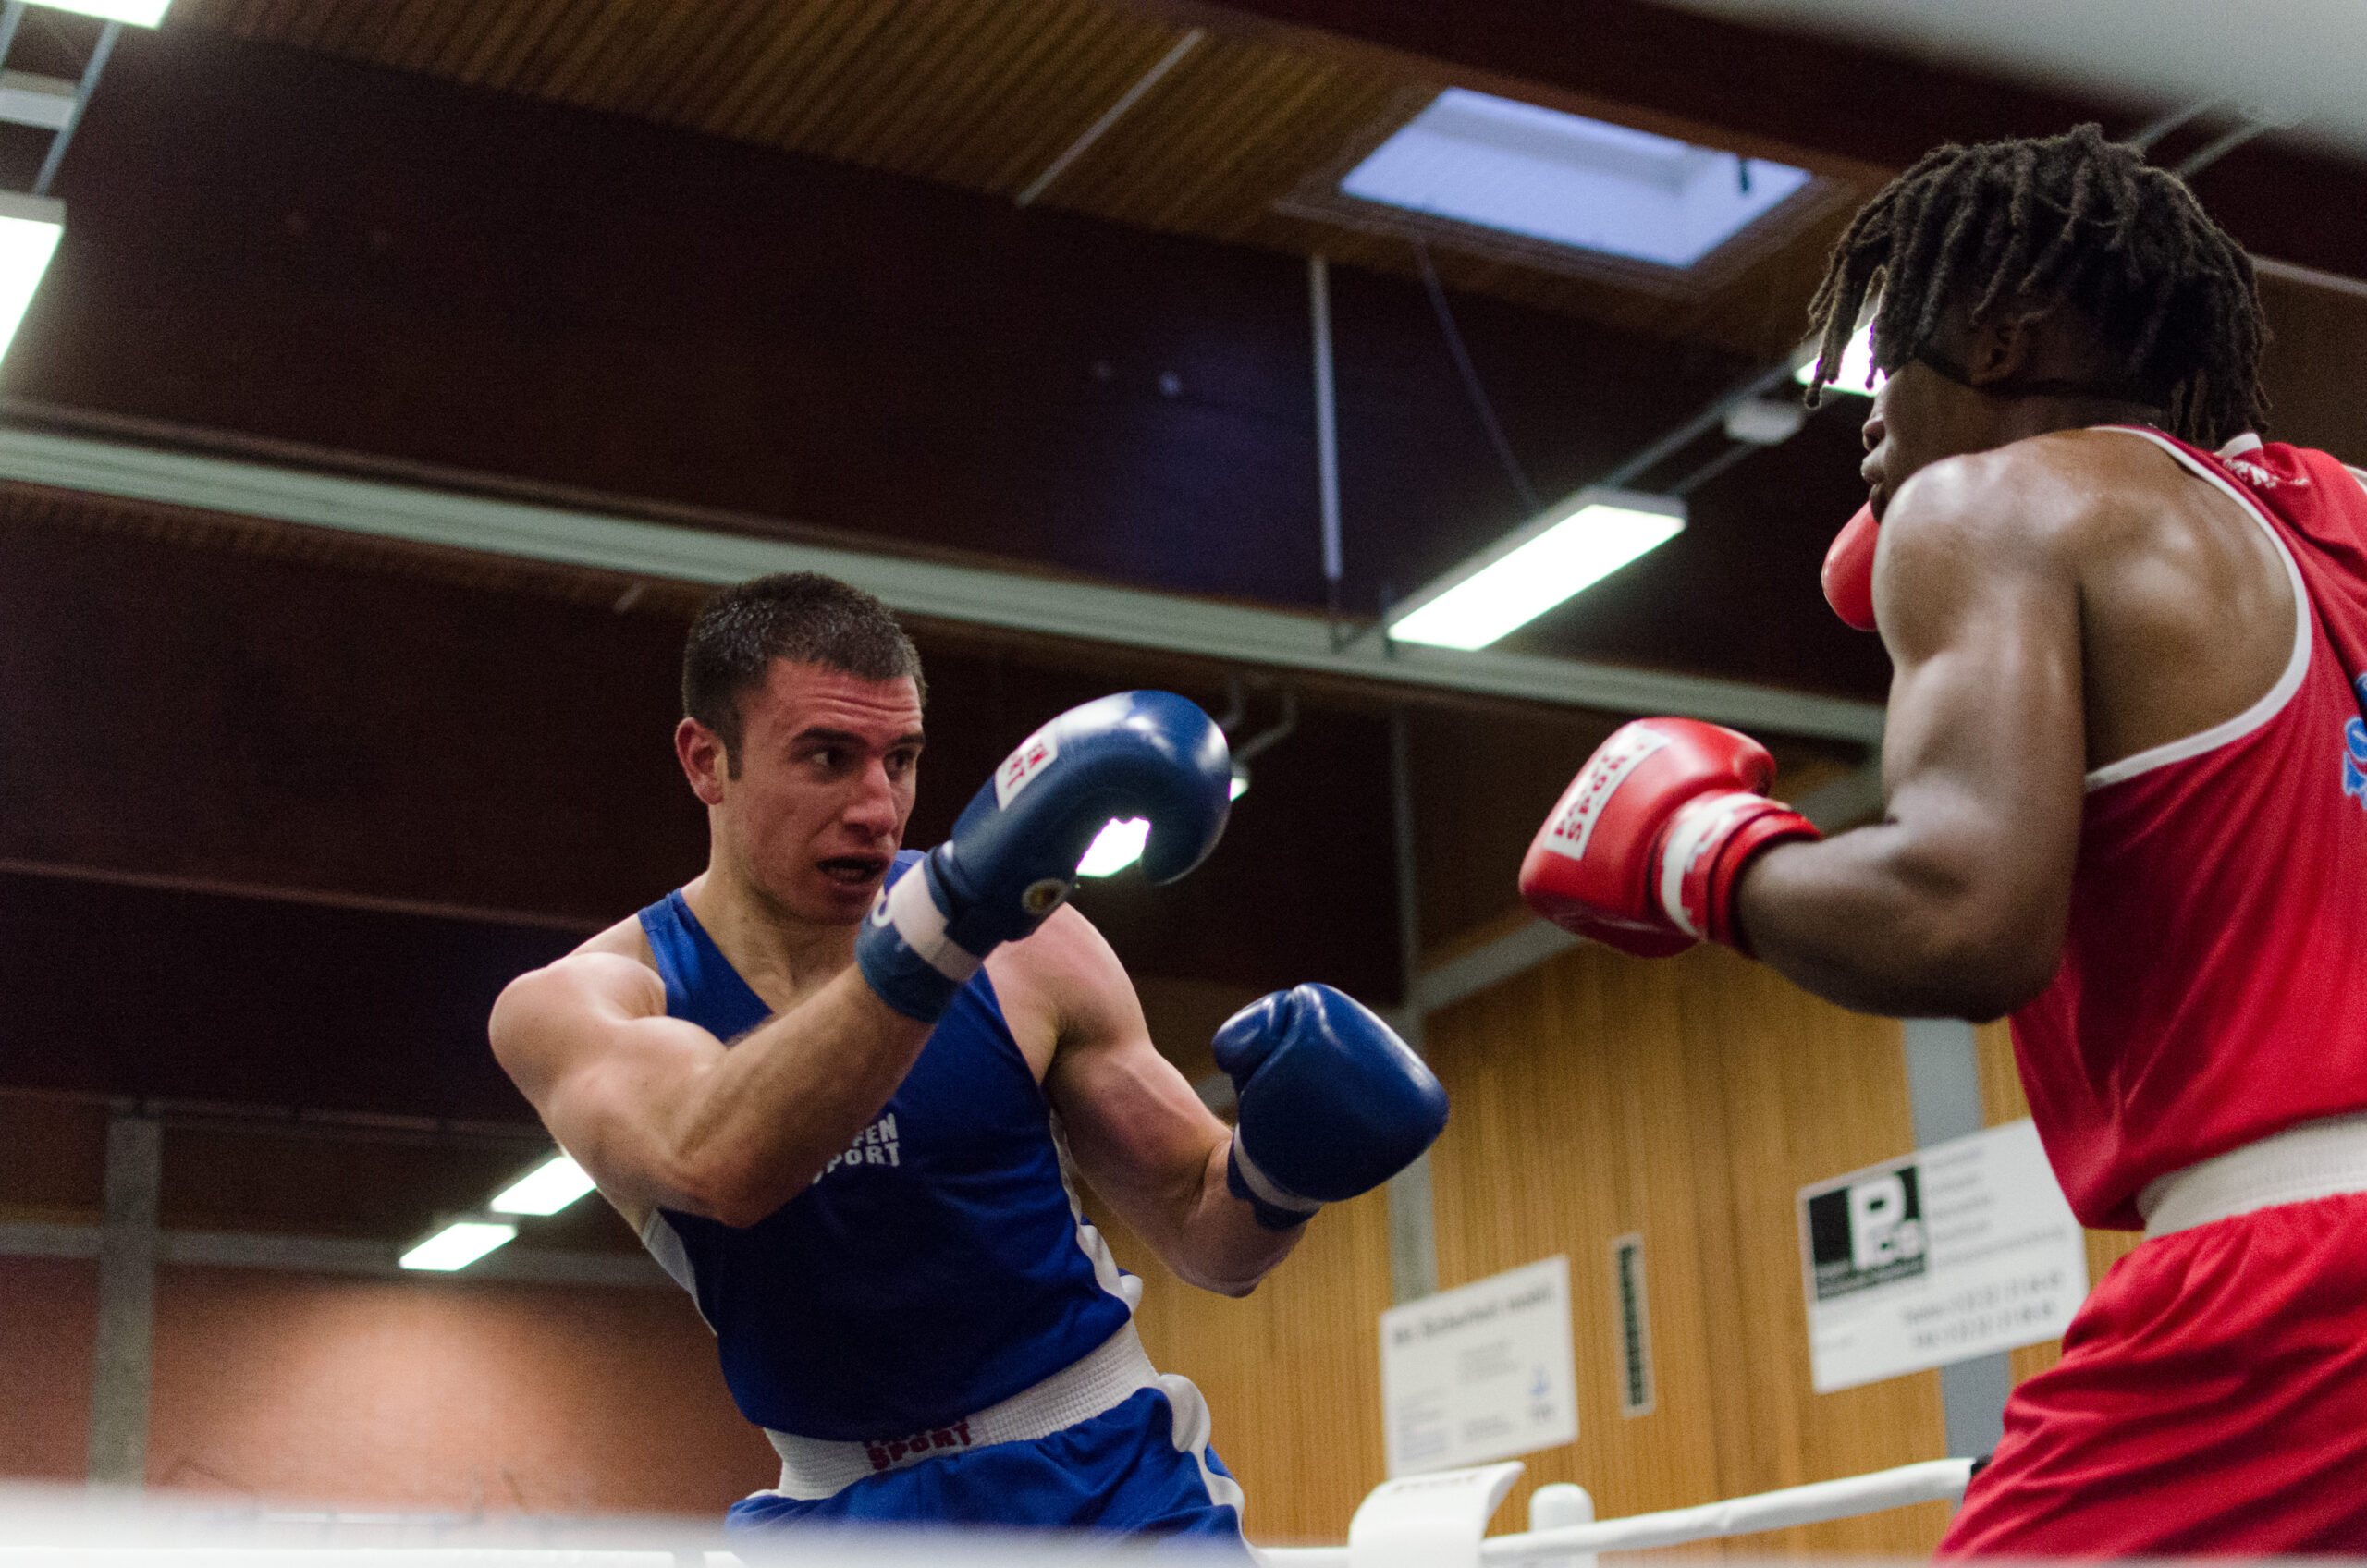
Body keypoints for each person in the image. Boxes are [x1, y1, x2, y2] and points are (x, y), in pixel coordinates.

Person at [1517, 125, 2367, 1551]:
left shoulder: (1993, 505)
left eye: (1880, 358)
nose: (1865, 417)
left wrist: (1698, 853)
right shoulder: (2342, 519)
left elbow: (1962, 913)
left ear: (1999, 334)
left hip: (2291, 1283)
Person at [490, 572, 1445, 1545]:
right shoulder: (585, 1002)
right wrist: (947, 924)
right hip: (838, 1518)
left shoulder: (1030, 945)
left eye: (900, 759)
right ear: (707, 761)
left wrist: (1279, 1171)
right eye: (827, 757)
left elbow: (1207, 1235)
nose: (876, 805)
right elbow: (713, 1157)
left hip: (1107, 1481)